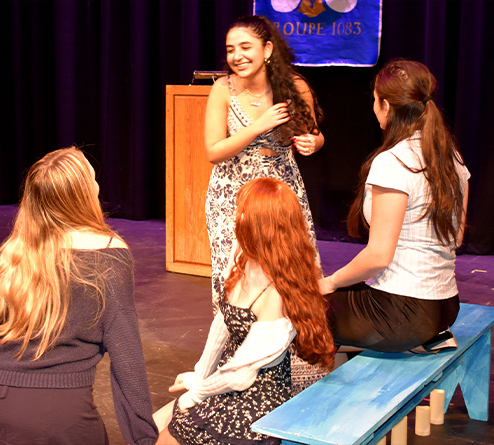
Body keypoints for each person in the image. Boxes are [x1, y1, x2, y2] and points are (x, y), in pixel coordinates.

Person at [0, 147, 158, 444]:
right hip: (61, 416)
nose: (97, 186)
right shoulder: (109, 253)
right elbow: (126, 357)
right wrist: (144, 438)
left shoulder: (11, 255)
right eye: (92, 179)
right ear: (82, 195)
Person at [154, 177, 335, 445]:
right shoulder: (245, 258)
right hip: (223, 380)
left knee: (171, 433)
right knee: (149, 426)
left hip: (256, 395)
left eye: (241, 211)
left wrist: (194, 396)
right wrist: (199, 375)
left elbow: (242, 375)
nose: (234, 216)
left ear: (261, 224)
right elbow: (222, 324)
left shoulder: (278, 292)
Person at [320, 59, 470, 352]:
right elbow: (457, 237)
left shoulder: (394, 162)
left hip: (403, 313)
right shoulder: (452, 157)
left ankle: (326, 394)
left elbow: (377, 257)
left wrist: (329, 282)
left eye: (375, 99)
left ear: (386, 105)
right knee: (346, 296)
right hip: (445, 307)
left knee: (302, 310)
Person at [204, 15, 325, 315]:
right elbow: (214, 151)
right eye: (231, 49)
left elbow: (315, 133)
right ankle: (236, 349)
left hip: (281, 192)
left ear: (267, 50)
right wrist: (259, 126)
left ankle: (294, 348)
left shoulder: (294, 86)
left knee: (288, 269)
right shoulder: (223, 89)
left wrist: (314, 143)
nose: (237, 56)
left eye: (246, 47)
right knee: (236, 278)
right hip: (232, 195)